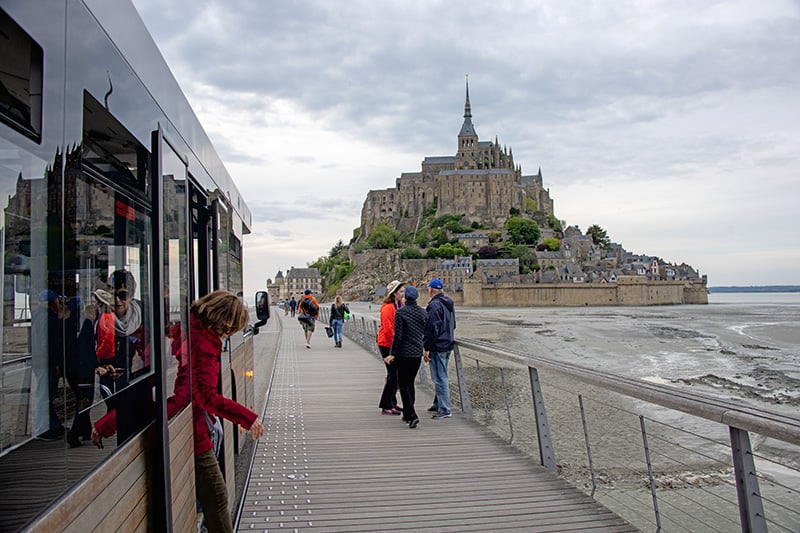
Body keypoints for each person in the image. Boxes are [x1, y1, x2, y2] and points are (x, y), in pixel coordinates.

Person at [386, 285, 427, 428]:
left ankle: (412, 414)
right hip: (416, 353)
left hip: (404, 353)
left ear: (405, 297)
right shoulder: (423, 313)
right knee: (410, 383)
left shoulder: (400, 313)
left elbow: (398, 336)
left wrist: (392, 353)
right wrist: (426, 348)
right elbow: (427, 333)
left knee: (403, 385)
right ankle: (407, 414)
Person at [423, 278, 456, 420]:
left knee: (439, 378)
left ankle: (445, 409)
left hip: (437, 346)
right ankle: (438, 403)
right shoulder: (448, 303)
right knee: (441, 375)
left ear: (431, 290)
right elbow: (453, 324)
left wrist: (427, 347)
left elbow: (432, 328)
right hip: (447, 344)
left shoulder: (434, 305)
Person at [377, 280, 404, 415]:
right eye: (400, 292)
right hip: (387, 344)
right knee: (393, 375)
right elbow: (388, 330)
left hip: (393, 344)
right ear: (393, 293)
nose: (403, 294)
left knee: (395, 375)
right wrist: (397, 345)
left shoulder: (399, 305)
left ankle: (391, 403)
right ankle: (387, 404)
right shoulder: (388, 308)